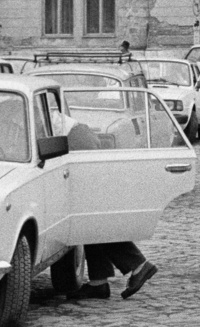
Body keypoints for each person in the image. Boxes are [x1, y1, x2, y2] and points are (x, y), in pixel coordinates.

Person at [63, 114, 158, 300]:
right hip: (78, 134)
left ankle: (138, 264)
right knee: (88, 216)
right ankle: (99, 283)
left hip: (76, 138)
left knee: (89, 215)